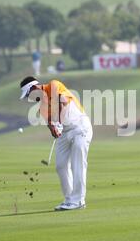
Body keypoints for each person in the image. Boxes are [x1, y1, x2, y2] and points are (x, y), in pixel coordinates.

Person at [19, 76, 93, 211]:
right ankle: (69, 199)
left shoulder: (53, 85)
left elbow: (63, 102)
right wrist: (54, 129)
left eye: (28, 95)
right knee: (60, 165)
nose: (29, 99)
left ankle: (79, 200)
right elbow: (50, 125)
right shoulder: (42, 107)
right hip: (64, 133)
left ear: (34, 88)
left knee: (78, 164)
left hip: (80, 127)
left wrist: (59, 121)